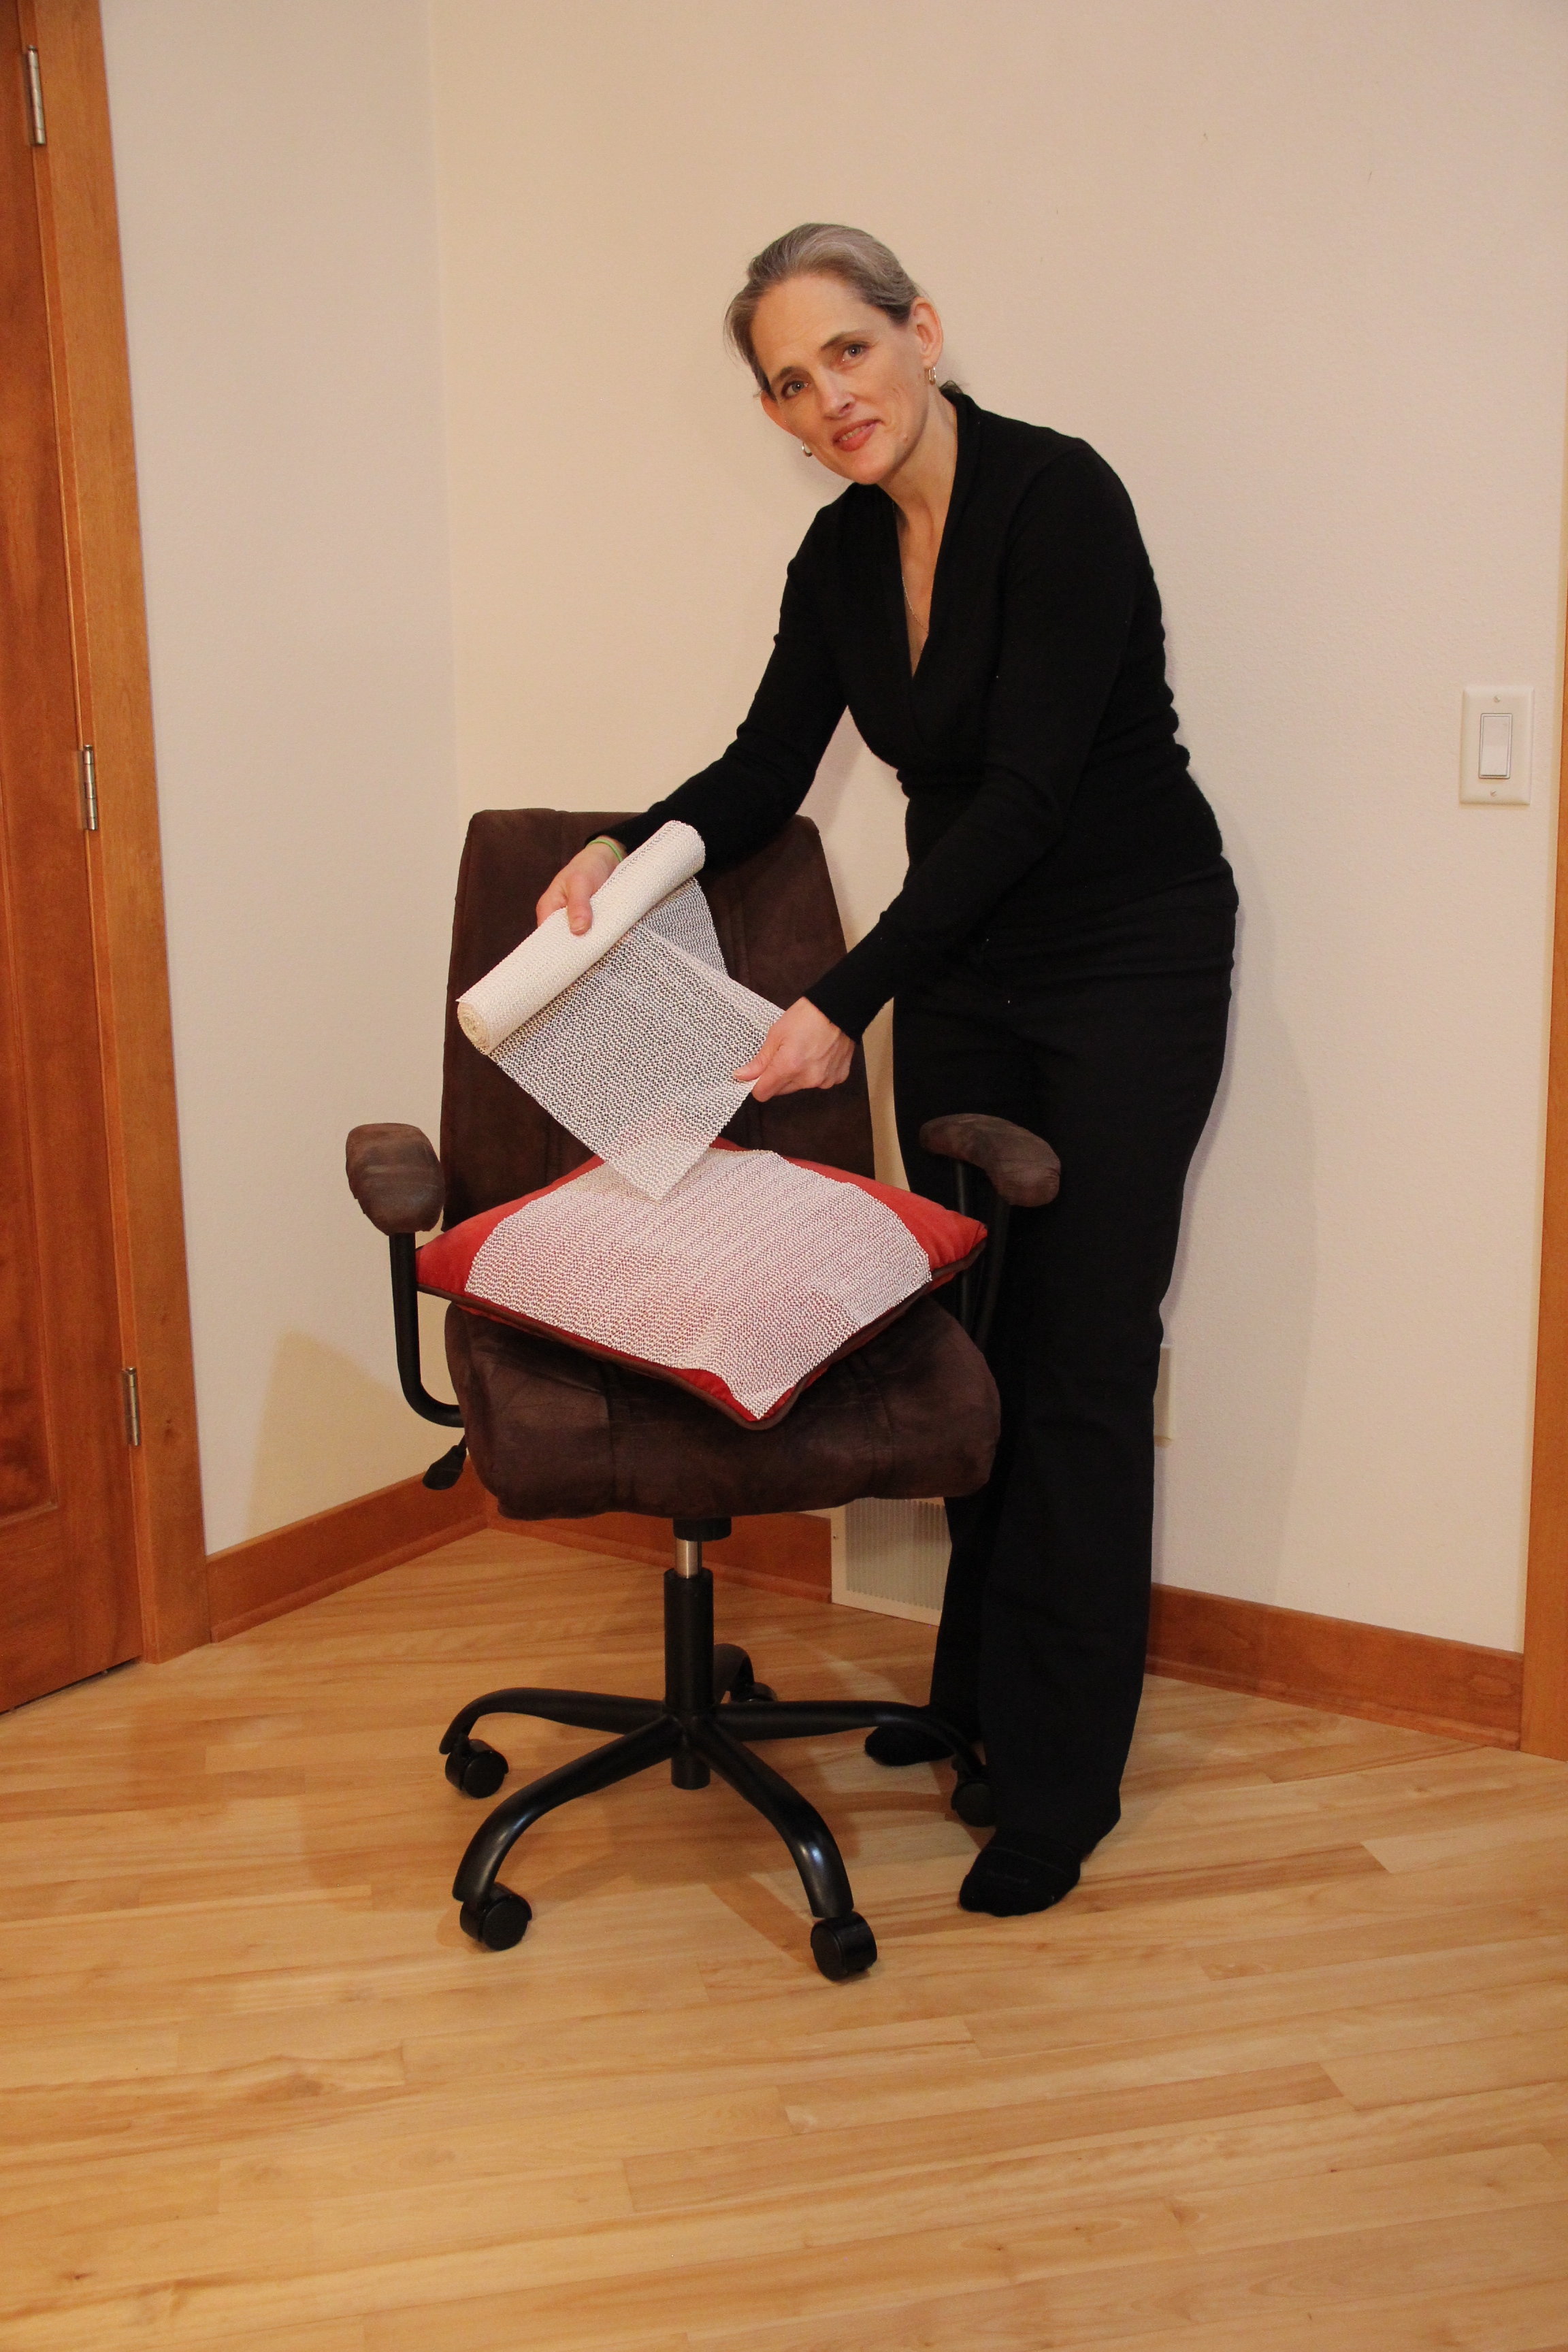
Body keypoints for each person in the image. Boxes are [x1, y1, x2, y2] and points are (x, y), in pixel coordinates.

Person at [537, 224, 1235, 1918]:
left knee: (1079, 1361)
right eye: (790, 380)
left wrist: (845, 997)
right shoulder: (841, 561)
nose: (825, 397)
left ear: (921, 331)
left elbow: (1029, 800)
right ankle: (977, 1700)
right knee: (975, 1343)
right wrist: (635, 848)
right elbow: (774, 762)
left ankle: (1060, 1788)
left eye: (846, 352)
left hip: (1129, 958)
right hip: (976, 975)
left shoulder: (1060, 500)